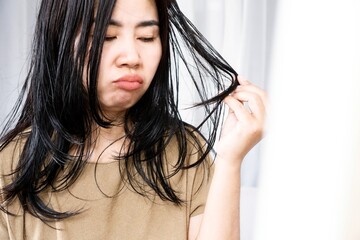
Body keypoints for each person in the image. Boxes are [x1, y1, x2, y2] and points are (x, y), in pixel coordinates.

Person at [0, 0, 267, 239]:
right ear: (61, 38)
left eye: (147, 37)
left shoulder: (185, 152)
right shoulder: (8, 166)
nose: (132, 57)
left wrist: (231, 161)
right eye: (106, 35)